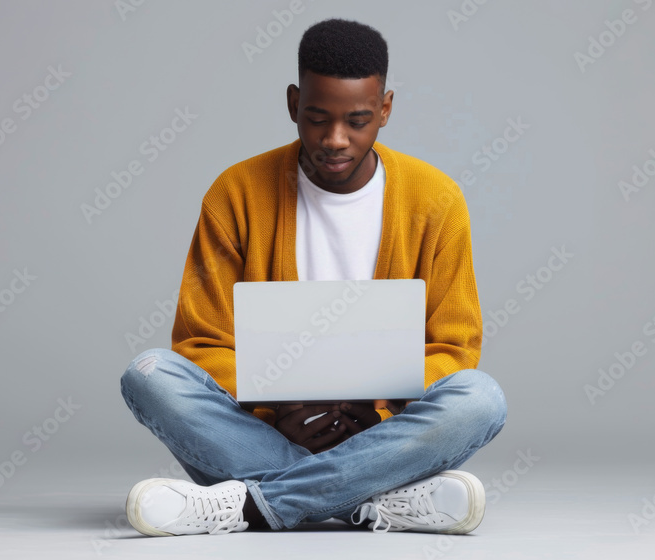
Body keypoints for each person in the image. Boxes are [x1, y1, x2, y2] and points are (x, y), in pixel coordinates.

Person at [119, 18, 506, 536]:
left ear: (386, 109)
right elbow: (200, 342)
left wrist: (380, 409)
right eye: (317, 118)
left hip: (379, 428)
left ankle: (250, 507)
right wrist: (278, 404)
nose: (336, 140)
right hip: (266, 427)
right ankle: (367, 501)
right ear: (292, 103)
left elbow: (454, 347)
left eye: (358, 121)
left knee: (481, 398)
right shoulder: (235, 193)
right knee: (149, 375)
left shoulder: (436, 201)